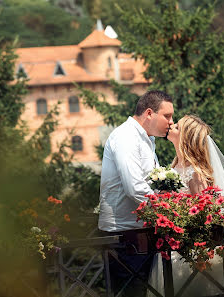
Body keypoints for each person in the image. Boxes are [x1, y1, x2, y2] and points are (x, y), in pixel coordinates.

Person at [148, 115, 224, 297]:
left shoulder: (195, 173)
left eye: (178, 126)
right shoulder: (175, 166)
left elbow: (204, 212)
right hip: (175, 247)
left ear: (185, 137)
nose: (172, 125)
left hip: (190, 250)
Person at [99, 90, 174, 297]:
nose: (171, 122)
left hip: (141, 231)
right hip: (125, 235)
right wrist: (170, 212)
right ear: (149, 113)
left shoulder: (146, 139)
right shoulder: (126, 137)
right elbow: (135, 187)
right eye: (167, 116)